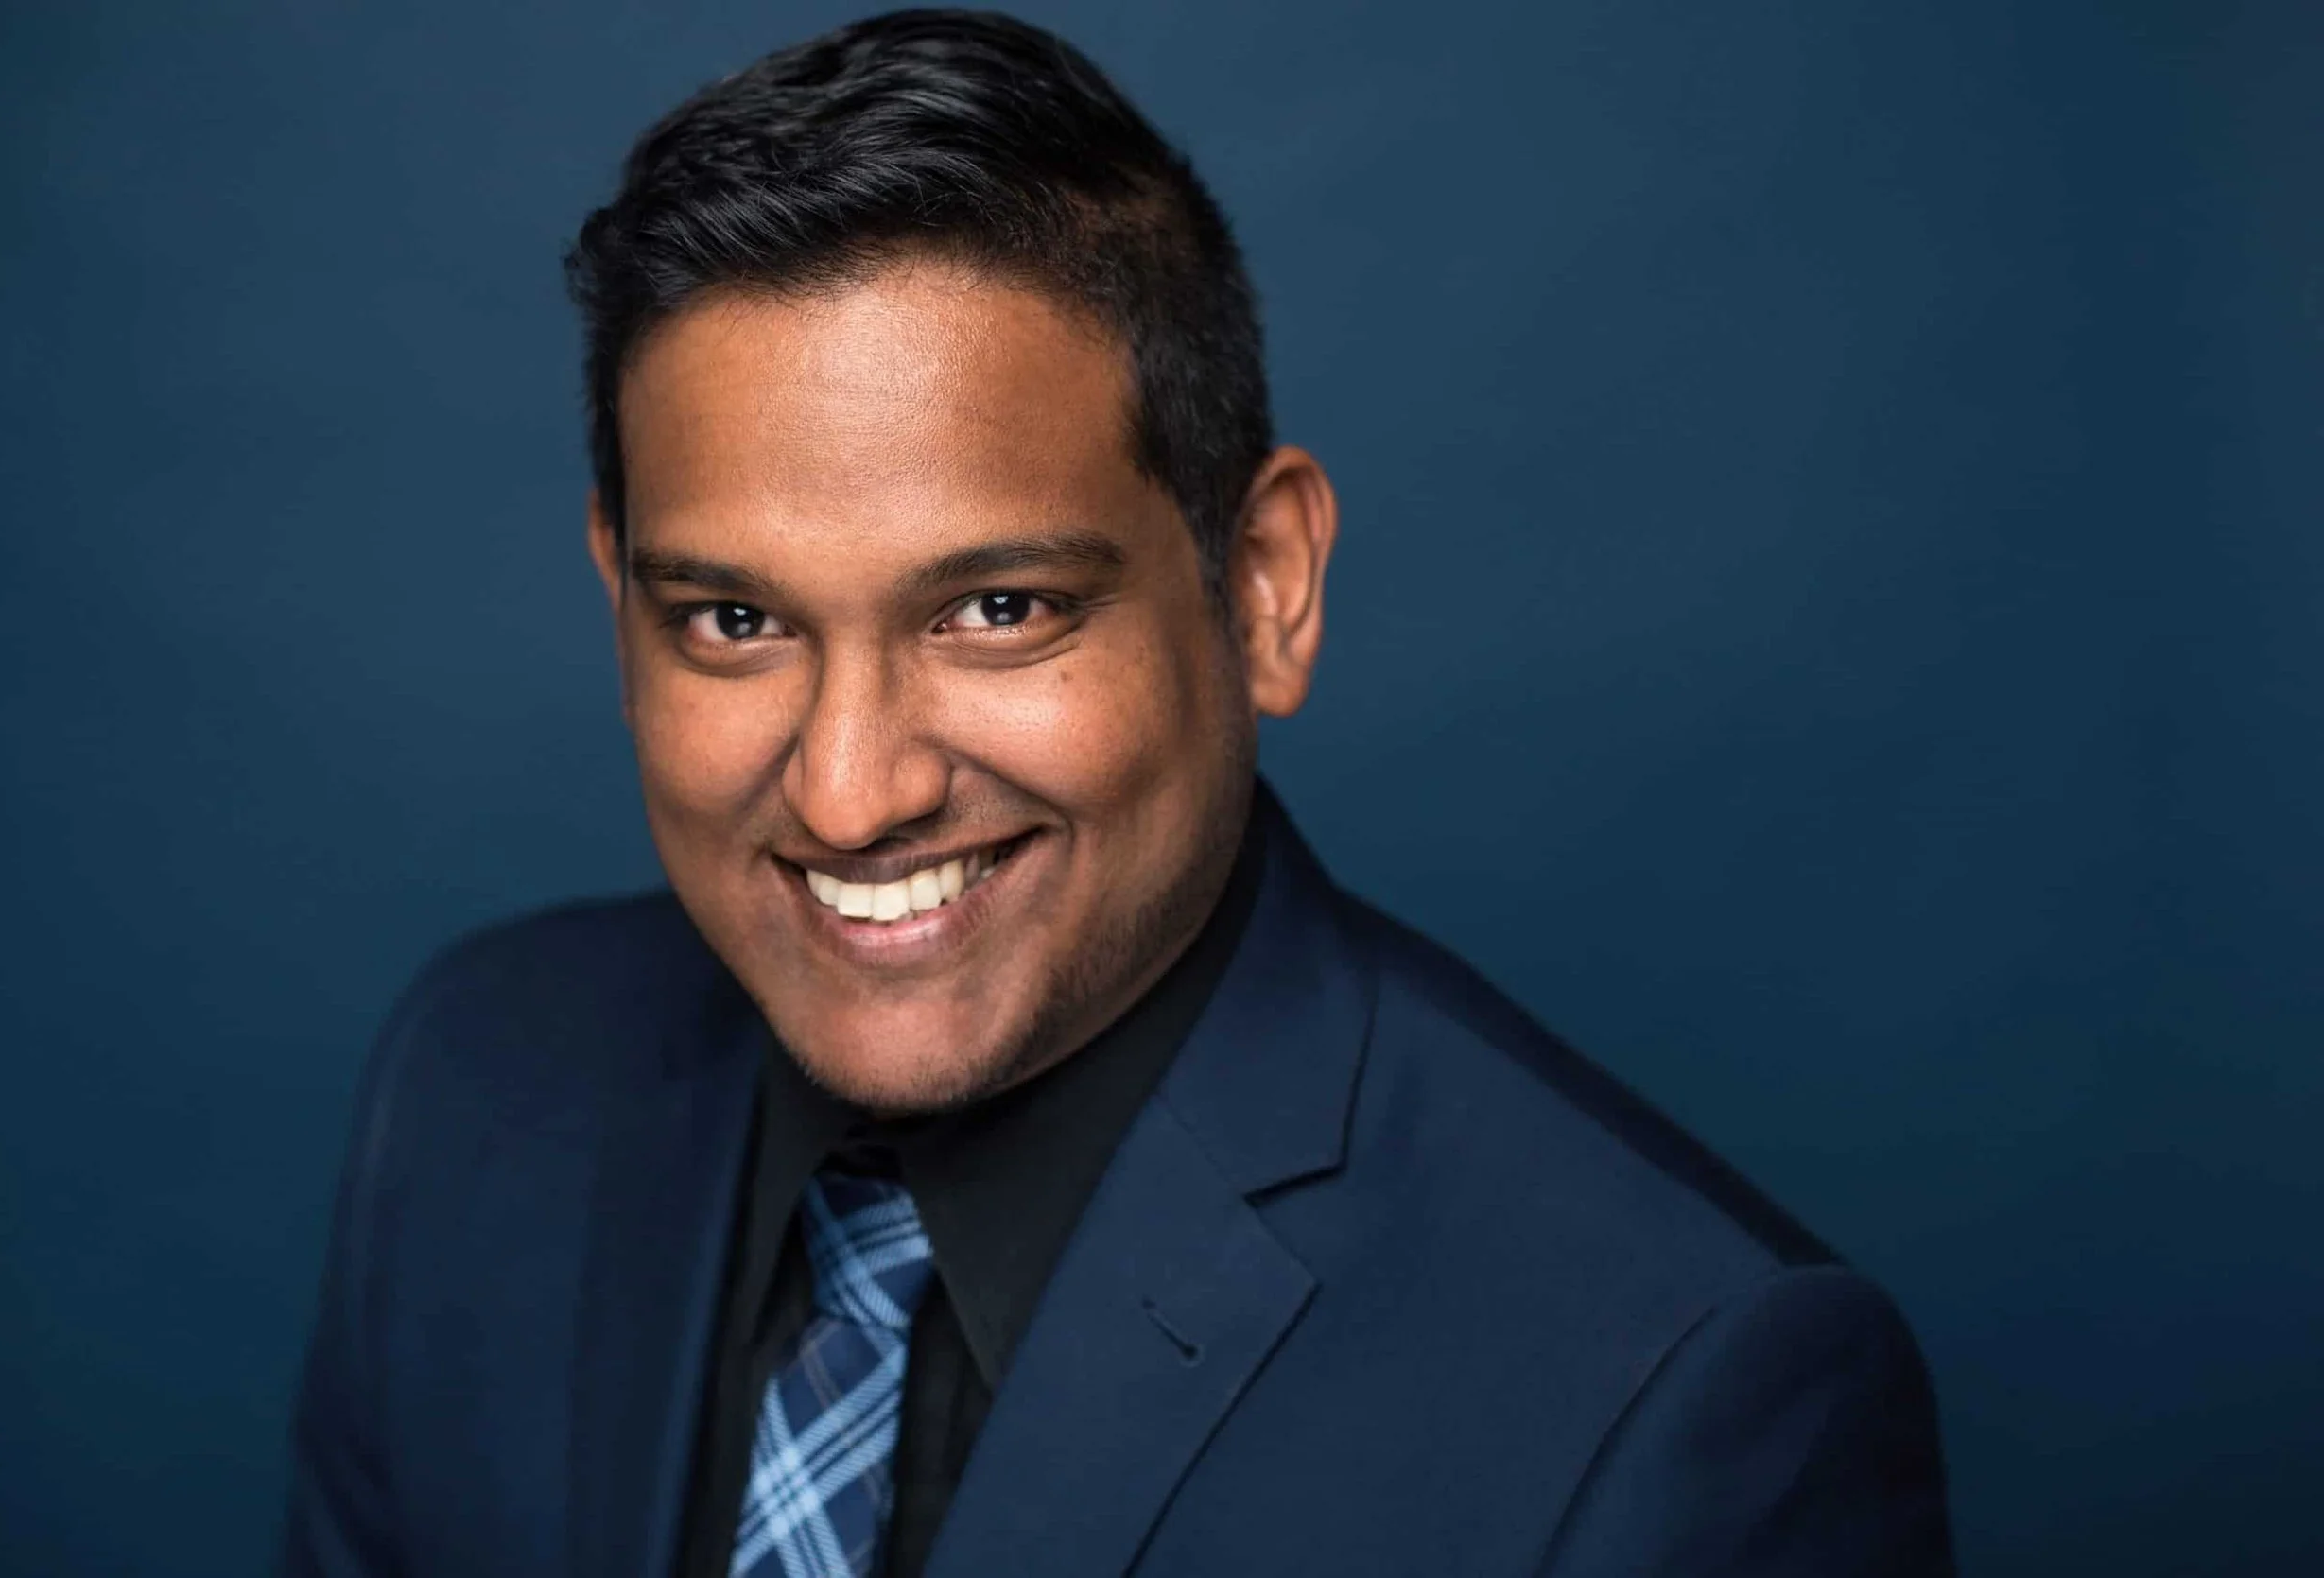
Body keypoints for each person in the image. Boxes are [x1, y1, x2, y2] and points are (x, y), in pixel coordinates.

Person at [280, 9, 1954, 1575]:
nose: (852, 797)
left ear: (1265, 586)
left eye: (999, 609)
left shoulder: (1682, 1398)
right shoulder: (480, 1089)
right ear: (619, 597)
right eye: (735, 622)